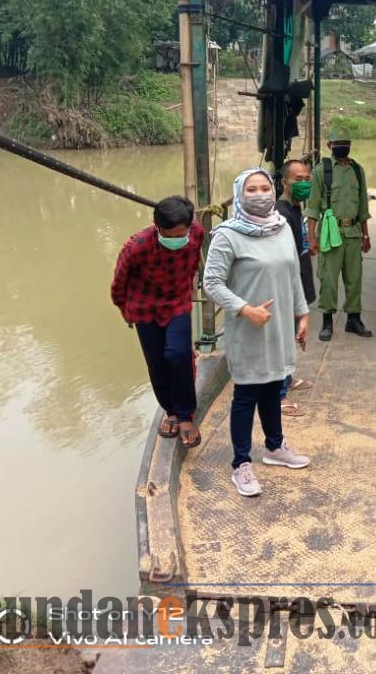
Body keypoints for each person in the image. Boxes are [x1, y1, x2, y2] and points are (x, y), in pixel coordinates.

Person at [203, 168, 311, 498]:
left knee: (273, 388)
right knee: (247, 395)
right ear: (239, 194)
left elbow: (294, 272)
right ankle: (241, 464)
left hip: (278, 325)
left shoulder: (281, 227)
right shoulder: (227, 235)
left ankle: (275, 447)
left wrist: (302, 311)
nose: (260, 194)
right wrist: (245, 308)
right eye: (252, 189)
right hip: (247, 329)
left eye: (265, 187)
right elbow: (211, 283)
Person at [111, 196, 204, 450]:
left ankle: (185, 415)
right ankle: (171, 411)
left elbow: (194, 260)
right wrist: (123, 308)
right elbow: (119, 280)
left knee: (179, 354)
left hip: (177, 301)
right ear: (157, 226)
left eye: (181, 235)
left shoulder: (196, 232)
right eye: (170, 235)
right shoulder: (137, 246)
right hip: (144, 306)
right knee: (157, 361)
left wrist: (190, 285)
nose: (177, 240)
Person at [305, 127, 373, 341]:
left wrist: (366, 235)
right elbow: (313, 208)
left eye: (346, 143)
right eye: (338, 144)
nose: (342, 147)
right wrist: (312, 238)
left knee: (354, 279)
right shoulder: (320, 171)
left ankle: (354, 319)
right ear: (329, 146)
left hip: (353, 233)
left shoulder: (357, 170)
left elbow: (363, 207)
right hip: (330, 233)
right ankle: (327, 321)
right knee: (329, 279)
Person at [275, 159, 317, 417]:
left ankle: (287, 379)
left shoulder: (295, 208)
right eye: (297, 179)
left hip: (300, 280)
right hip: (289, 286)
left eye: (307, 179)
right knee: (283, 340)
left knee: (291, 339)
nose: (303, 184)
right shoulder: (280, 212)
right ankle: (279, 396)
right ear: (284, 182)